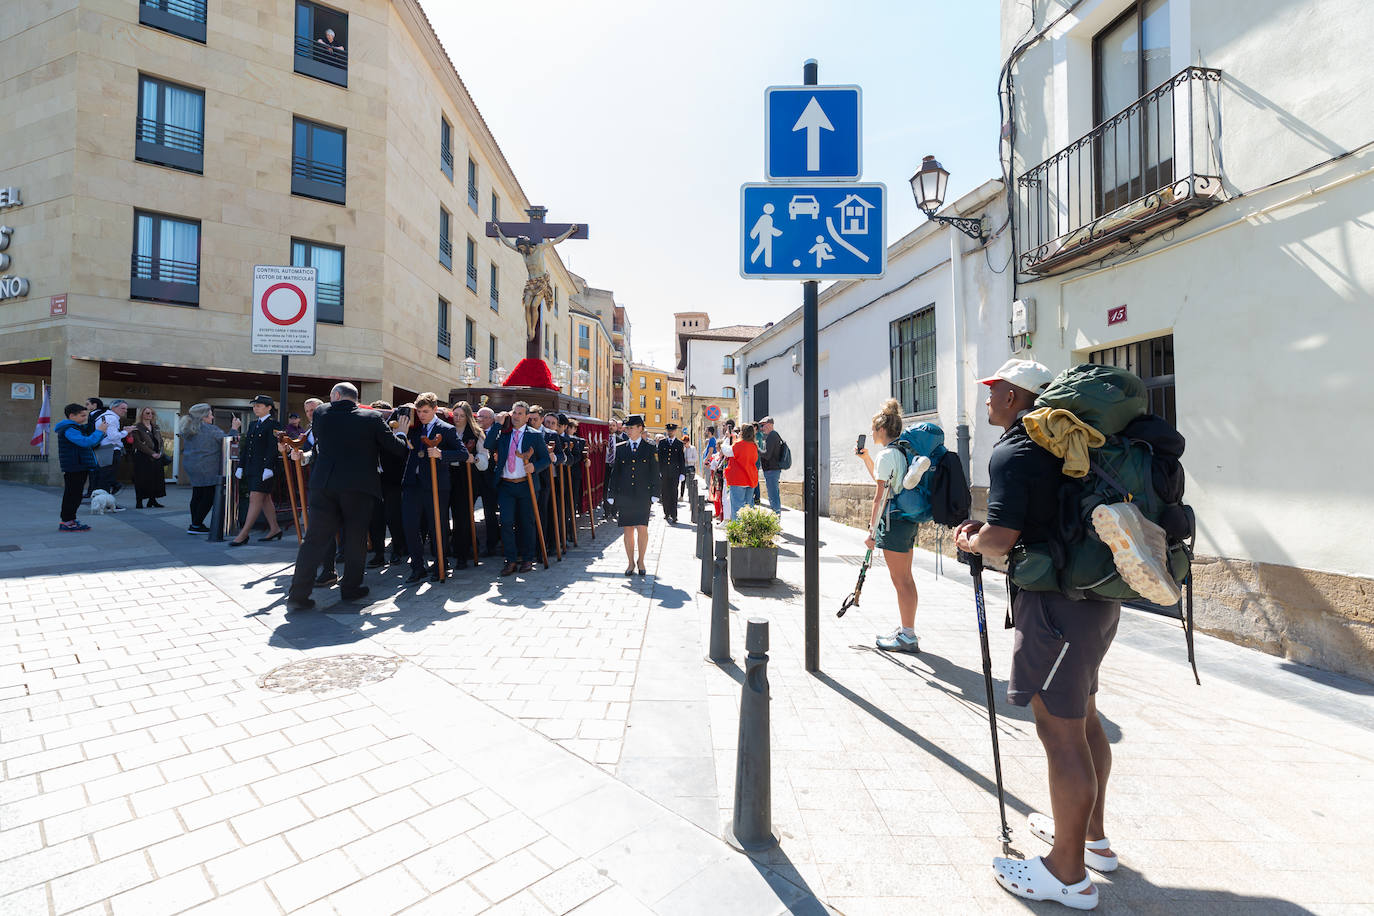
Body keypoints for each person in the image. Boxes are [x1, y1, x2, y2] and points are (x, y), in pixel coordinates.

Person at [951, 358, 1119, 910]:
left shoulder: (1018, 449)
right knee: (1085, 717)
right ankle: (1090, 840)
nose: (988, 397)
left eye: (995, 389)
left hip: (1054, 610)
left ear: (1017, 395)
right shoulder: (1069, 440)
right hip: (1096, 600)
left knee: (1060, 733)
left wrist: (972, 540)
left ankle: (1067, 876)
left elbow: (1002, 537)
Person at [285, 382, 407, 611]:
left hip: (324, 485)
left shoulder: (321, 413)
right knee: (355, 538)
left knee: (314, 540)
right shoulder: (371, 419)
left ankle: (298, 593)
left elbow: (323, 433)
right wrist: (401, 432)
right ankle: (350, 588)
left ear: (336, 395)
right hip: (358, 487)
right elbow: (397, 449)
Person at [857, 399, 923, 654]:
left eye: (873, 429)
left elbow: (879, 496)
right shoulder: (900, 451)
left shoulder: (886, 454)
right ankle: (907, 629)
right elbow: (885, 480)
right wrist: (865, 459)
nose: (871, 433)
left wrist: (871, 532)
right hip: (906, 520)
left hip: (893, 522)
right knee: (906, 579)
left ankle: (908, 636)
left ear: (882, 429)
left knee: (901, 581)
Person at [401, 393, 464, 583]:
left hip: (436, 485)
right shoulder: (414, 428)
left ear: (435, 410)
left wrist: (441, 454)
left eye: (426, 411)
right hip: (413, 483)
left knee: (438, 526)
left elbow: (461, 453)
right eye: (419, 411)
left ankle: (440, 564)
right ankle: (417, 567)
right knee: (410, 526)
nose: (421, 415)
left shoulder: (446, 429)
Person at [485, 401, 550, 576]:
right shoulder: (504, 434)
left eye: (521, 413)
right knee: (506, 522)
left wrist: (534, 467)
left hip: (526, 485)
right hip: (506, 485)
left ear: (527, 417)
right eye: (514, 413)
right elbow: (488, 445)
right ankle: (510, 560)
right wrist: (497, 424)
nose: (516, 416)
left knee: (527, 523)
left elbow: (546, 459)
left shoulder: (535, 435)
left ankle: (527, 558)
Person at [177, 404, 239, 534]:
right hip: (207, 466)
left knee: (197, 494)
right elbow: (228, 441)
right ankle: (196, 525)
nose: (212, 416)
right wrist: (234, 428)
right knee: (209, 496)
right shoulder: (210, 429)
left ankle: (195, 524)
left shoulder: (188, 428)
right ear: (203, 416)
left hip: (191, 466)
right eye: (210, 414)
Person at [230, 395, 283, 545]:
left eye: (259, 406)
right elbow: (247, 448)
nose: (255, 408)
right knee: (265, 499)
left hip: (265, 469)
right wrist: (241, 465)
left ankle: (244, 534)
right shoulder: (253, 424)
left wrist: (268, 467)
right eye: (255, 406)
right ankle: (275, 529)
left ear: (269, 408)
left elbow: (272, 448)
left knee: (255, 498)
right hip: (253, 468)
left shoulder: (274, 425)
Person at [607, 414, 656, 576]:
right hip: (625, 494)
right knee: (627, 529)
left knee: (642, 528)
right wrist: (611, 492)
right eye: (626, 428)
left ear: (640, 428)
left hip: (643, 495)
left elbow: (654, 471)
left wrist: (656, 492)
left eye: (631, 428)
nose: (628, 430)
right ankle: (630, 563)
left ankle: (641, 560)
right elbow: (616, 472)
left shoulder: (649, 448)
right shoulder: (621, 447)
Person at [447, 401, 487, 570]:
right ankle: (451, 549)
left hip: (467, 477)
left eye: (462, 416)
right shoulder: (447, 430)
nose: (458, 418)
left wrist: (475, 459)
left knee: (462, 516)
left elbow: (484, 458)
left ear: (468, 416)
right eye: (455, 415)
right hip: (448, 476)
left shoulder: (477, 434)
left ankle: (462, 554)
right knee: (449, 515)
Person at [55, 403, 106, 531]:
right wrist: (100, 431)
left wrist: (100, 432)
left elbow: (88, 441)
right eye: (82, 415)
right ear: (72, 416)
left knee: (75, 495)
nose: (84, 418)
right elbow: (85, 442)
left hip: (79, 466)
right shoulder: (69, 429)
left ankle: (70, 520)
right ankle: (67, 521)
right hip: (74, 466)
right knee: (72, 495)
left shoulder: (74, 427)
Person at [91, 399, 132, 506]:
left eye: (126, 409)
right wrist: (126, 431)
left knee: (103, 477)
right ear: (113, 408)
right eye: (122, 408)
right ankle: (107, 503)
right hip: (110, 451)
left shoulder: (102, 416)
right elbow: (113, 436)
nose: (125, 411)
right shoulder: (112, 418)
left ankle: (102, 502)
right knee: (106, 479)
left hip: (102, 450)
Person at [129, 407, 167, 509]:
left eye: (152, 413)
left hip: (156, 456)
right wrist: (151, 453)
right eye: (147, 413)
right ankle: (139, 501)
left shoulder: (155, 427)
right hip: (142, 457)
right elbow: (138, 443)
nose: (150, 415)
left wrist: (160, 452)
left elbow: (160, 441)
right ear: (142, 414)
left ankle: (152, 500)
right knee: (142, 479)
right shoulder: (137, 427)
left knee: (156, 479)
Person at [721, 422, 759, 520]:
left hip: (738, 480)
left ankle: (738, 532)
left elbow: (726, 451)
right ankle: (748, 530)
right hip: (751, 479)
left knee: (737, 508)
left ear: (742, 433)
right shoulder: (754, 445)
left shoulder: (739, 444)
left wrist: (726, 438)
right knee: (748, 507)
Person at [656, 422, 685, 523]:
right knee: (665, 493)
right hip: (664, 472)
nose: (670, 432)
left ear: (675, 431)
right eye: (669, 430)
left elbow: (681, 459)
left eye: (672, 430)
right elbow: (659, 458)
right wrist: (658, 471)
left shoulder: (679, 443)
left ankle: (674, 514)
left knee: (673, 493)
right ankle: (666, 512)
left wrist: (682, 473)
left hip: (675, 473)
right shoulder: (662, 442)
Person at [758, 416, 785, 514]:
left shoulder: (772, 436)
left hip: (771, 470)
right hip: (772, 470)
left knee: (773, 496)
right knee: (773, 495)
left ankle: (776, 519)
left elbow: (767, 455)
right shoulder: (773, 435)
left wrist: (757, 449)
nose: (761, 428)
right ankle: (776, 518)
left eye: (763, 425)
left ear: (769, 425)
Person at [566, 417, 587, 523]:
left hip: (574, 474)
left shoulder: (580, 441)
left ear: (575, 429)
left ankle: (572, 523)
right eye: (567, 427)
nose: (569, 429)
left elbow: (582, 457)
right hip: (563, 474)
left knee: (573, 498)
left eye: (571, 427)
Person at [681, 436, 696, 500]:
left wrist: (688, 460)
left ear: (688, 442)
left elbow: (696, 458)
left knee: (691, 482)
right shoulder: (683, 449)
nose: (684, 444)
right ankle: (681, 496)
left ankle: (691, 496)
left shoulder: (693, 448)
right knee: (683, 482)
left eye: (685, 443)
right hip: (684, 467)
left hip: (691, 466)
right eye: (683, 443)